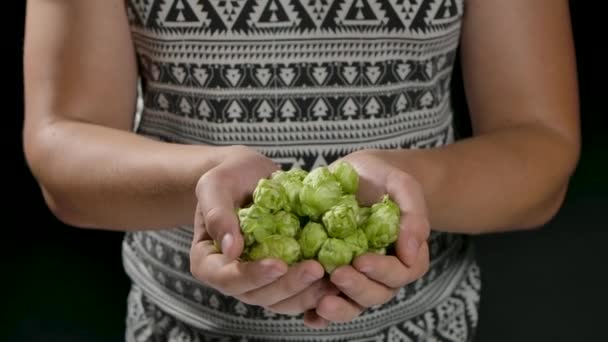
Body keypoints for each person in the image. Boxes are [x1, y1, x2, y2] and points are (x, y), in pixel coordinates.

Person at [22, 0, 580, 341]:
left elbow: (542, 146)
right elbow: (62, 147)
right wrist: (206, 178)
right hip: (182, 331)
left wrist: (410, 192)